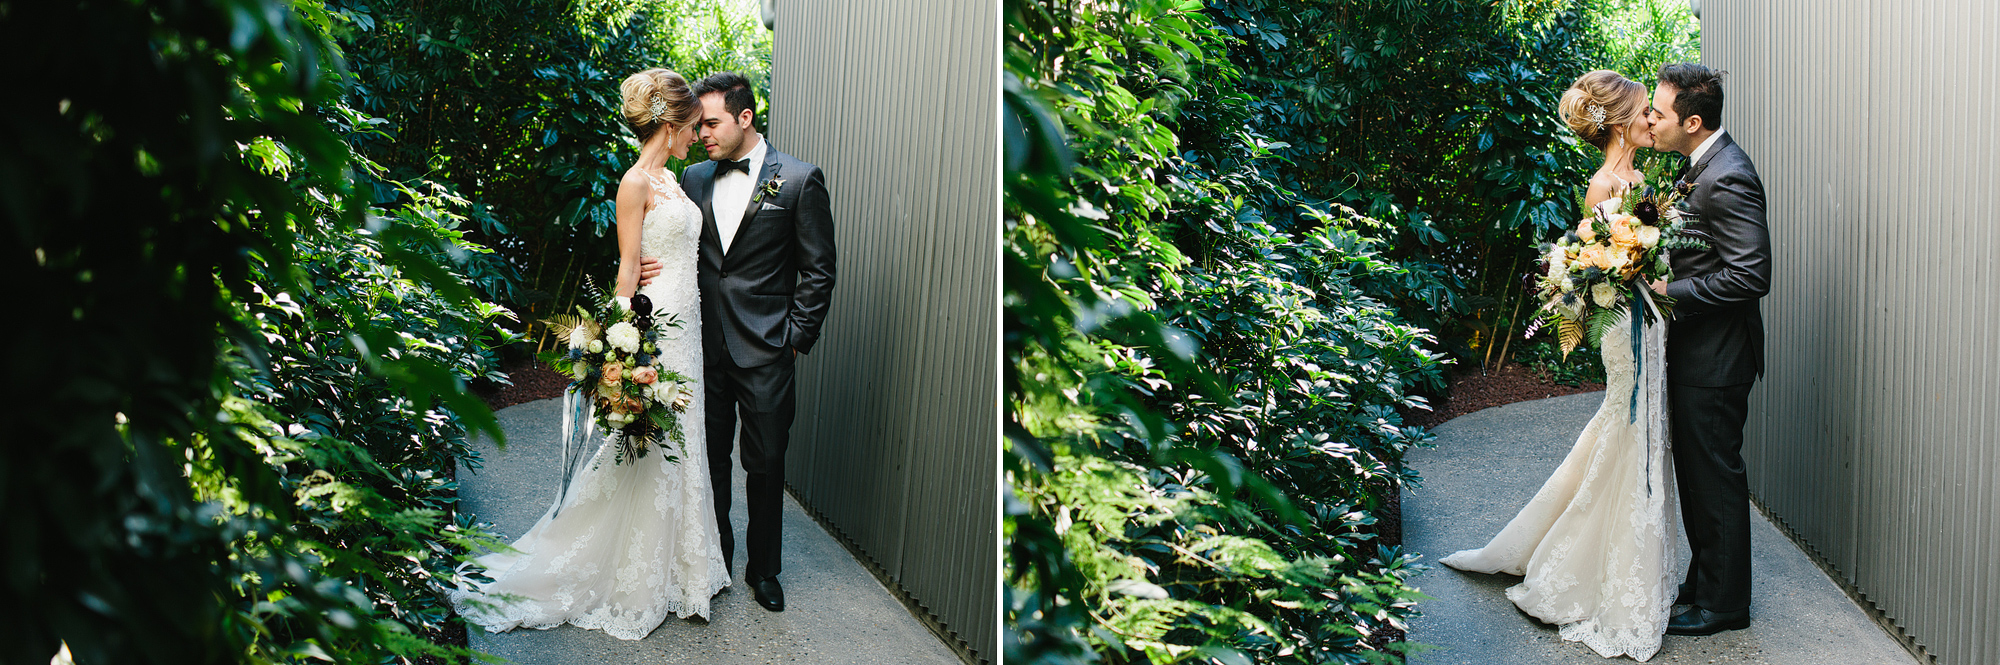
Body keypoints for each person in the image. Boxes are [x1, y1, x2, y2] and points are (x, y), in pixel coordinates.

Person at [447, 68, 730, 640]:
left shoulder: (675, 183)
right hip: (656, 325)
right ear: (672, 122)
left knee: (683, 435)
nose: (696, 135)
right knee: (651, 440)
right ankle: (634, 575)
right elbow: (629, 269)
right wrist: (619, 350)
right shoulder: (635, 183)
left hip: (689, 322)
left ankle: (685, 568)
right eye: (693, 125)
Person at [1438, 69, 1682, 661]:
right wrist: (1632, 271)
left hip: (1651, 322)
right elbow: (1594, 265)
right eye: (1645, 111)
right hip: (1625, 328)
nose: (1651, 119)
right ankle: (1578, 570)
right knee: (1629, 428)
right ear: (1619, 120)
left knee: (1641, 431)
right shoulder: (1604, 185)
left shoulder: (1642, 178)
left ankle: (1634, 555)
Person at [639, 71, 836, 613]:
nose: (701, 133)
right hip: (702, 349)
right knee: (709, 460)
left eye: (711, 123)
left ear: (744, 118)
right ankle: (716, 557)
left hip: (768, 350)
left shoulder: (798, 180)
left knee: (767, 462)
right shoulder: (693, 177)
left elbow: (819, 271)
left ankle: (764, 570)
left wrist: (794, 339)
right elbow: (663, 230)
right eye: (697, 124)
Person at [1646, 62, 1770, 637]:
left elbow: (1751, 274)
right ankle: (1704, 585)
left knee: (1715, 480)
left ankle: (1725, 606)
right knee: (1699, 478)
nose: (1651, 118)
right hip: (1696, 352)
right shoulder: (1699, 166)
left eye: (1659, 111)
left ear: (1692, 122)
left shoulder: (1728, 175)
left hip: (1718, 358)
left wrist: (1673, 290)